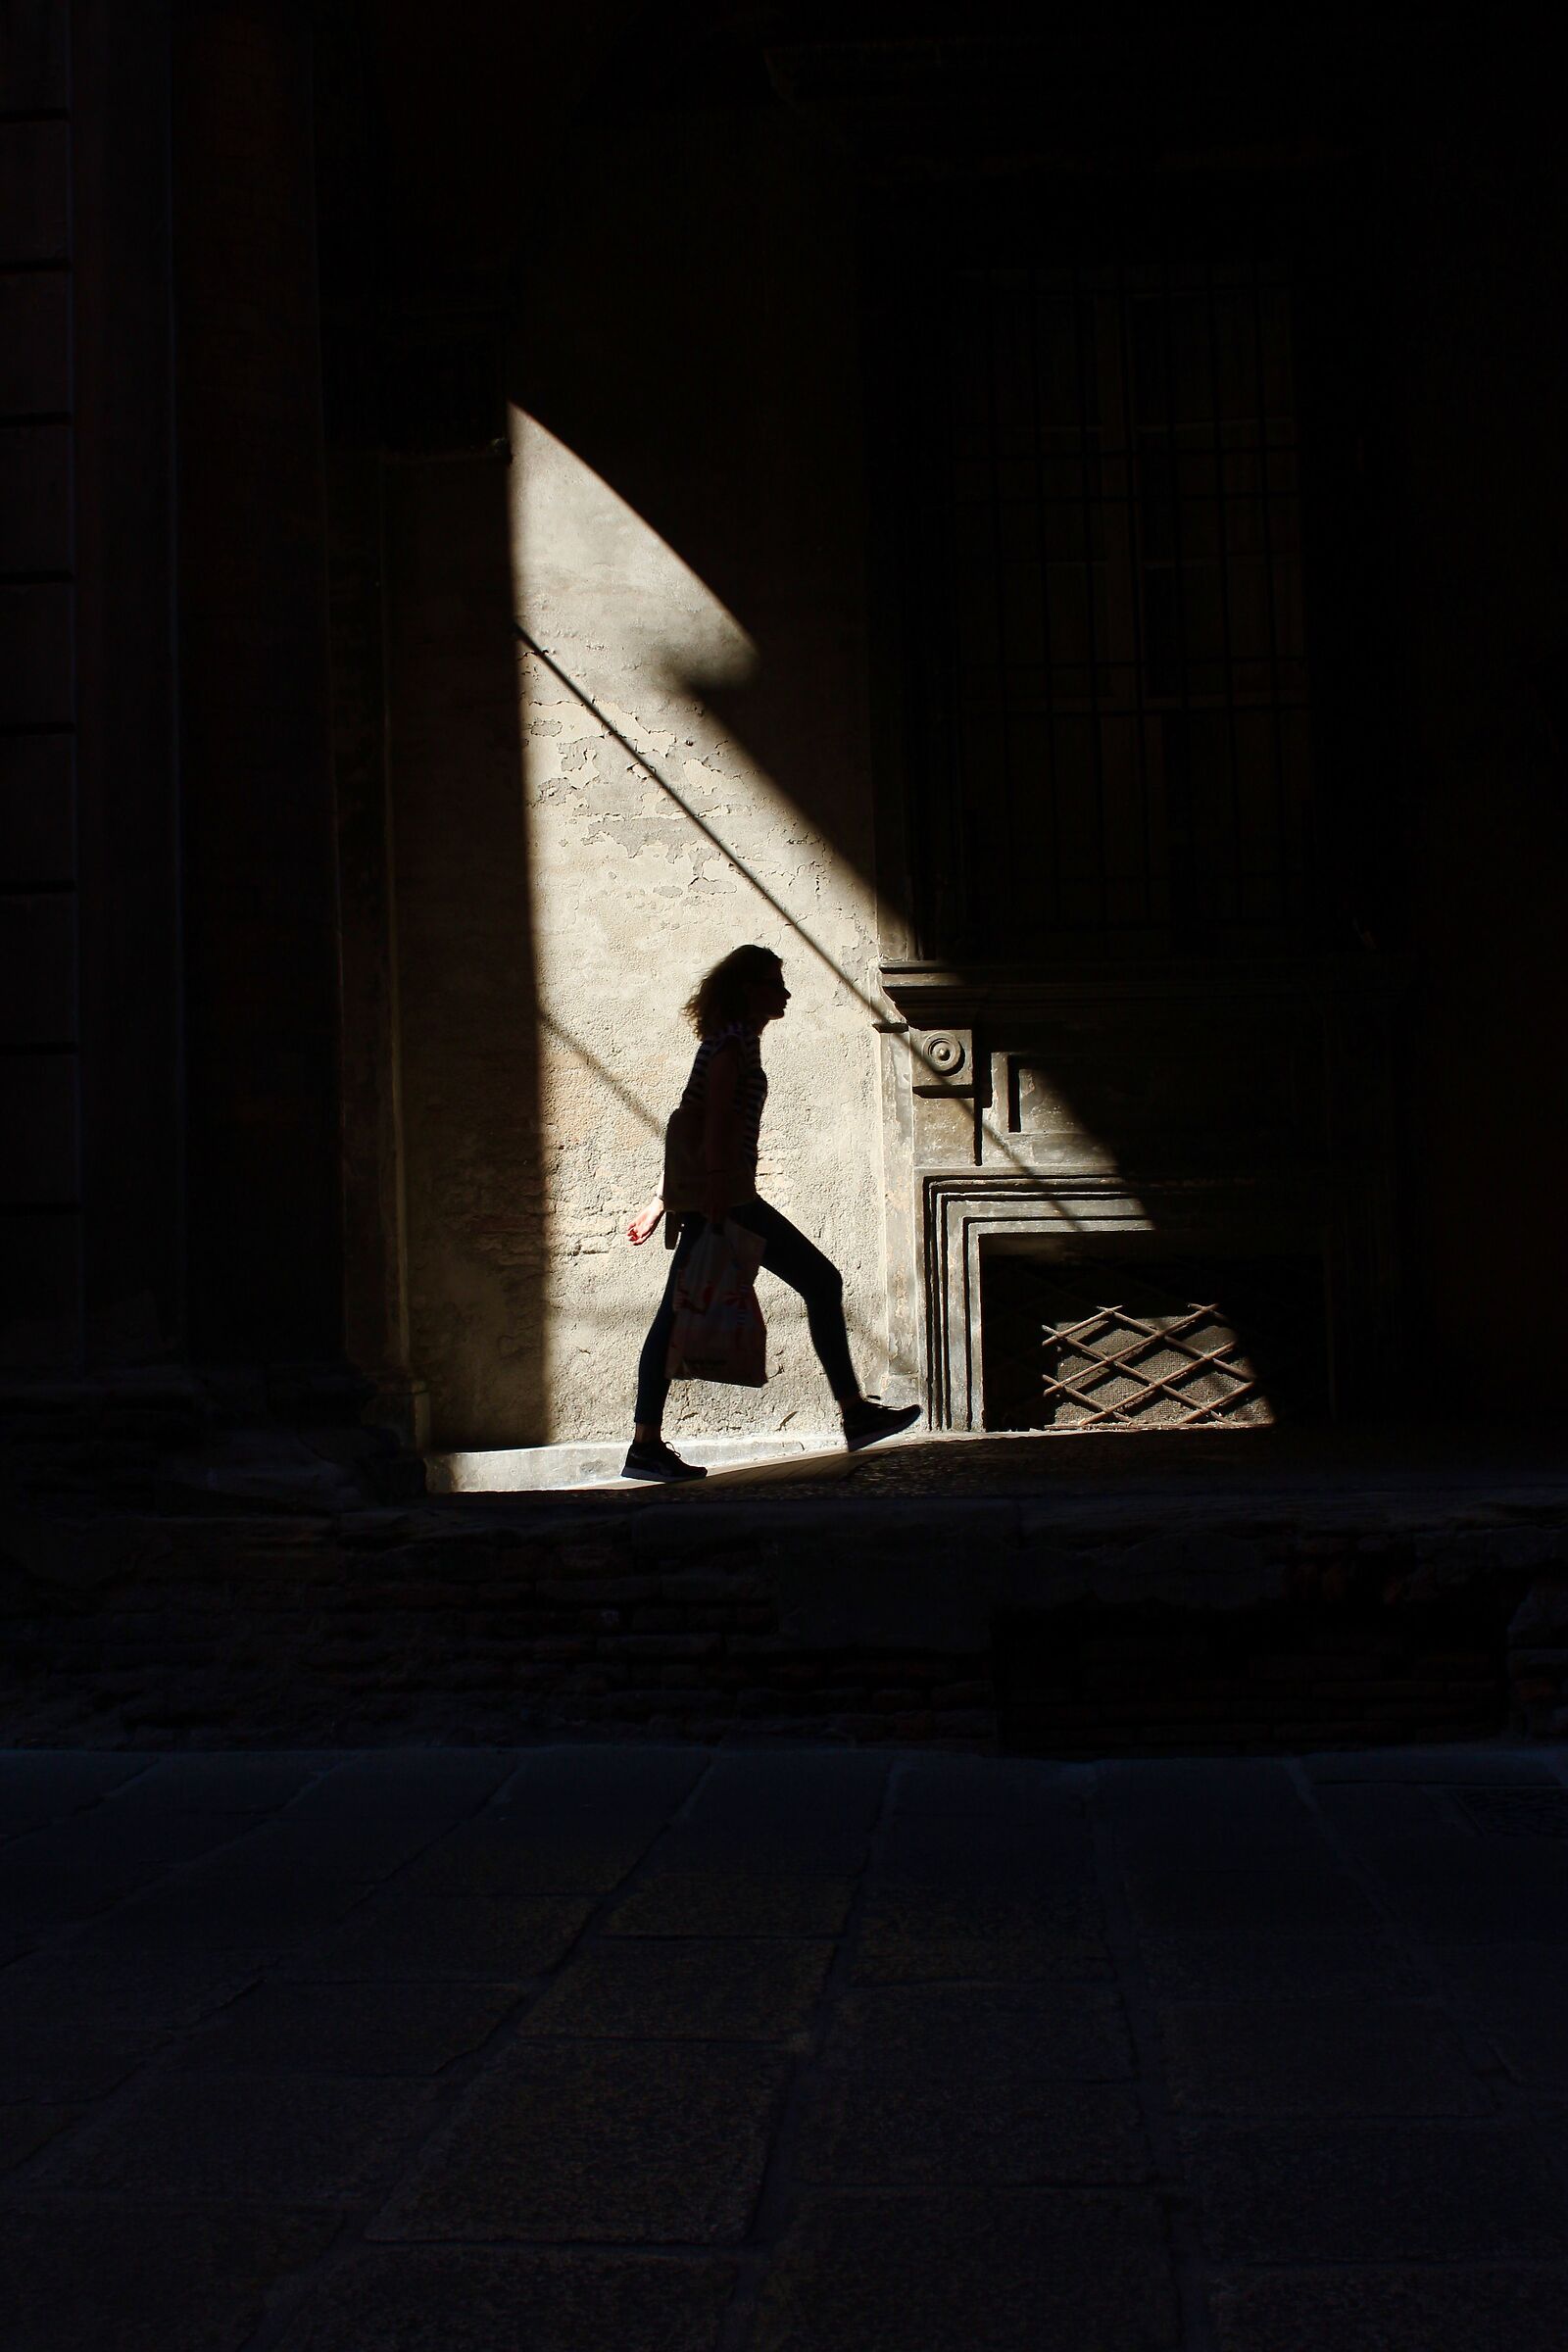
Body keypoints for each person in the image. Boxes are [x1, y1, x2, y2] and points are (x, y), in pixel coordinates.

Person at [623, 945, 921, 1481]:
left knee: (675, 1318)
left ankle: (646, 1445)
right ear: (747, 991)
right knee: (819, 1281)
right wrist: (701, 1196)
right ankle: (853, 1414)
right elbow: (707, 1125)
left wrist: (663, 1200)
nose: (784, 994)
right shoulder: (731, 1047)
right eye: (773, 984)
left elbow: (688, 1126)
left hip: (721, 1198)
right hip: (729, 1201)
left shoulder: (731, 1044)